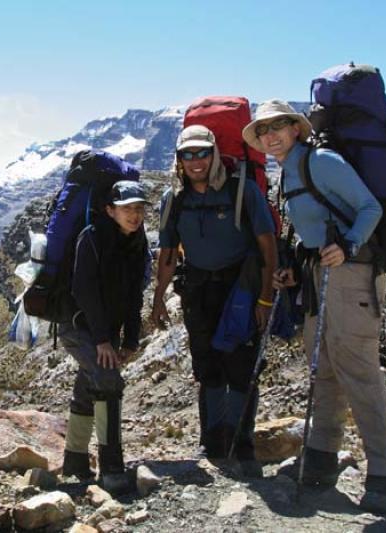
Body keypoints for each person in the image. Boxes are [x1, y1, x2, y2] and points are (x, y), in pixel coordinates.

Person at [243, 99, 386, 514]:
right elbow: (311, 227)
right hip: (317, 275)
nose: (270, 134)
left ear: (296, 128)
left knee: (359, 373)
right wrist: (294, 268)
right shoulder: (287, 171)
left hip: (352, 273)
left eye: (279, 125)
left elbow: (371, 208)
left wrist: (348, 245)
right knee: (324, 367)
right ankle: (320, 459)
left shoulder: (323, 161)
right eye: (262, 129)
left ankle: (385, 477)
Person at [152, 125, 277, 477]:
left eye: (202, 153)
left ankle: (243, 444)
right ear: (178, 159)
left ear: (215, 154)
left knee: (241, 364)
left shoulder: (243, 191)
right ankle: (213, 442)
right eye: (187, 155)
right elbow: (167, 254)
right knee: (207, 365)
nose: (196, 161)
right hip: (198, 290)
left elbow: (268, 246)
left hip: (241, 288)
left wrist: (265, 300)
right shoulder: (174, 199)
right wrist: (158, 300)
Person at [60, 180, 149, 493]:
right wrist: (101, 340)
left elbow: (135, 296)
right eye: (127, 209)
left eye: (139, 208)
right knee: (108, 376)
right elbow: (83, 291)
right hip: (78, 326)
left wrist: (130, 341)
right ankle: (111, 467)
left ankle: (74, 462)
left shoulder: (138, 243)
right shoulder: (92, 237)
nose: (134, 215)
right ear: (110, 210)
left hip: (105, 331)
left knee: (91, 381)